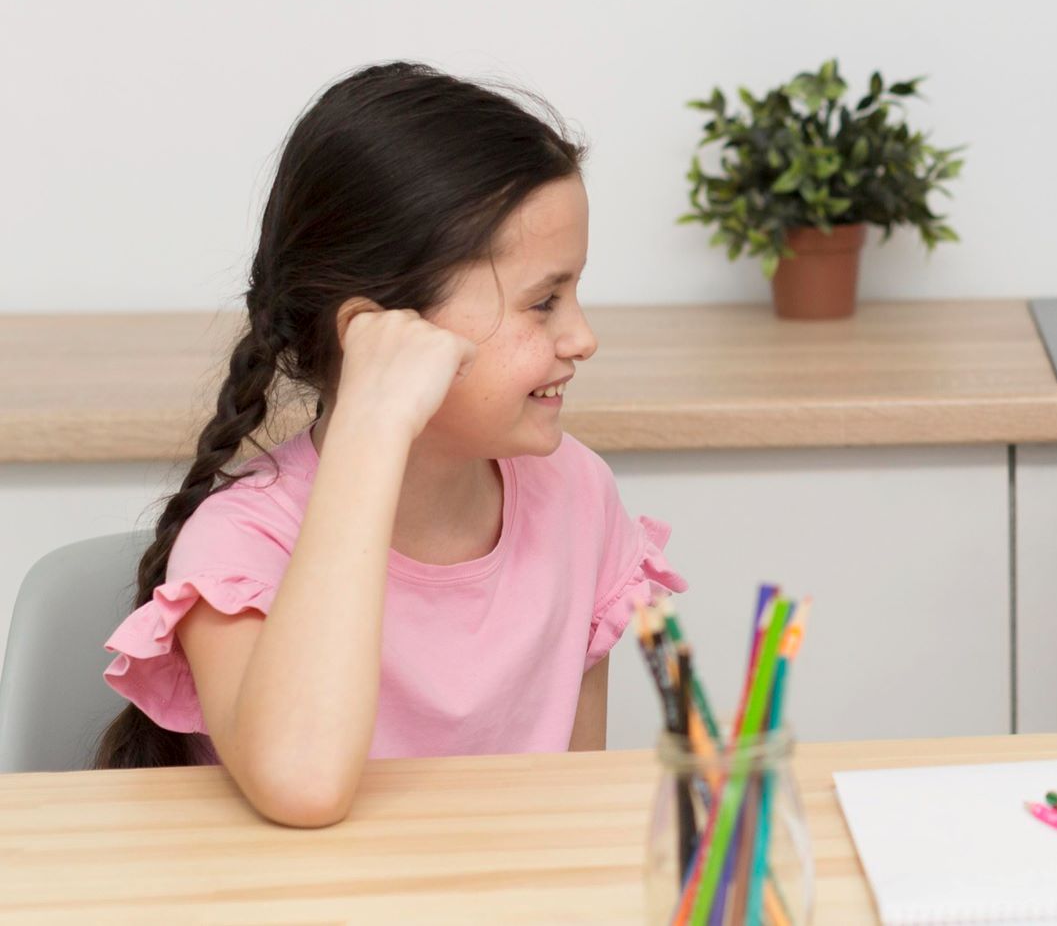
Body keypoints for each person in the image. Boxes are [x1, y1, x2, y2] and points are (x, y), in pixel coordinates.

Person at [96, 63, 686, 828]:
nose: (582, 336)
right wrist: (373, 427)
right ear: (377, 334)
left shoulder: (578, 495)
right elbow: (303, 784)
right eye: (543, 302)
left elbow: (569, 808)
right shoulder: (241, 545)